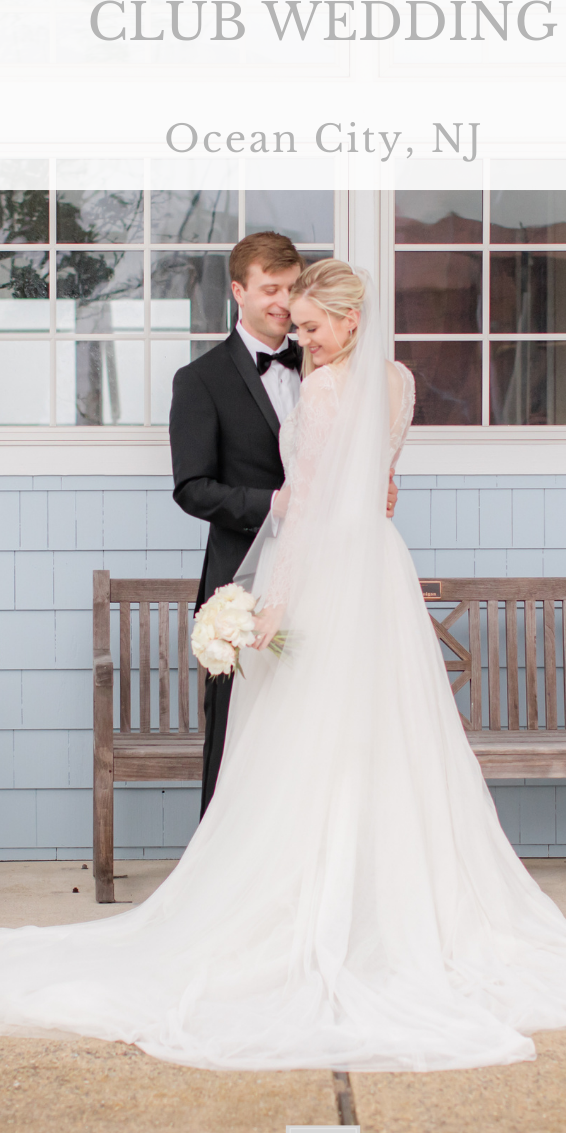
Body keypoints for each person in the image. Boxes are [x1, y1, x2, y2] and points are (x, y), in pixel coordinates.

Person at [0, 261, 566, 1071]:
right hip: (380, 571)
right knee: (382, 741)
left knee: (311, 744)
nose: (298, 337)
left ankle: (318, 910)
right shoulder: (398, 381)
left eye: (309, 325)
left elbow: (302, 516)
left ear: (347, 319)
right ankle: (386, 901)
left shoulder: (333, 390)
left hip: (330, 578)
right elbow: (383, 490)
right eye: (293, 325)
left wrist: (267, 608)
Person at [169, 231, 397, 816]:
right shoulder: (199, 381)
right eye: (270, 289)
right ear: (238, 291)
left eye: (292, 288)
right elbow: (193, 488)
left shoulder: (330, 359)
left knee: (323, 728)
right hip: (246, 581)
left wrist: (372, 485)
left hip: (329, 582)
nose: (283, 302)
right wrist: (276, 503)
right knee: (238, 733)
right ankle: (220, 868)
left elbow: (354, 456)